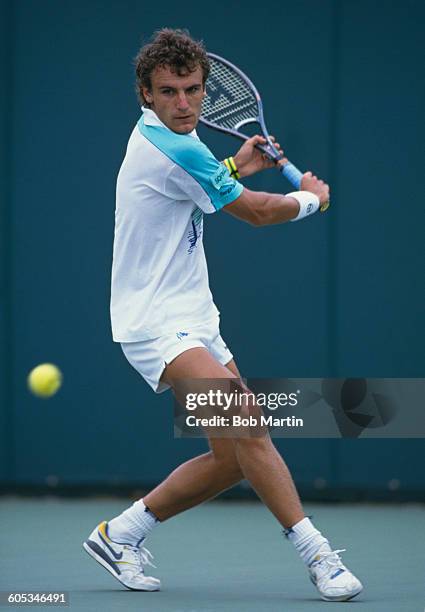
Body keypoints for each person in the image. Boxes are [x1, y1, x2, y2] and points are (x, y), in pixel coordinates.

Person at [83, 28, 363, 603]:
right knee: (249, 422)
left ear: (205, 91)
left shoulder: (176, 143)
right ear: (146, 94)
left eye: (192, 90)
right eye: (169, 92)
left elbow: (203, 189)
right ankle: (318, 556)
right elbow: (257, 215)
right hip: (154, 323)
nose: (183, 103)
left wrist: (235, 164)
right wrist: (312, 198)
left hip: (194, 314)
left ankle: (122, 534)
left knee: (233, 457)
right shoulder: (173, 146)